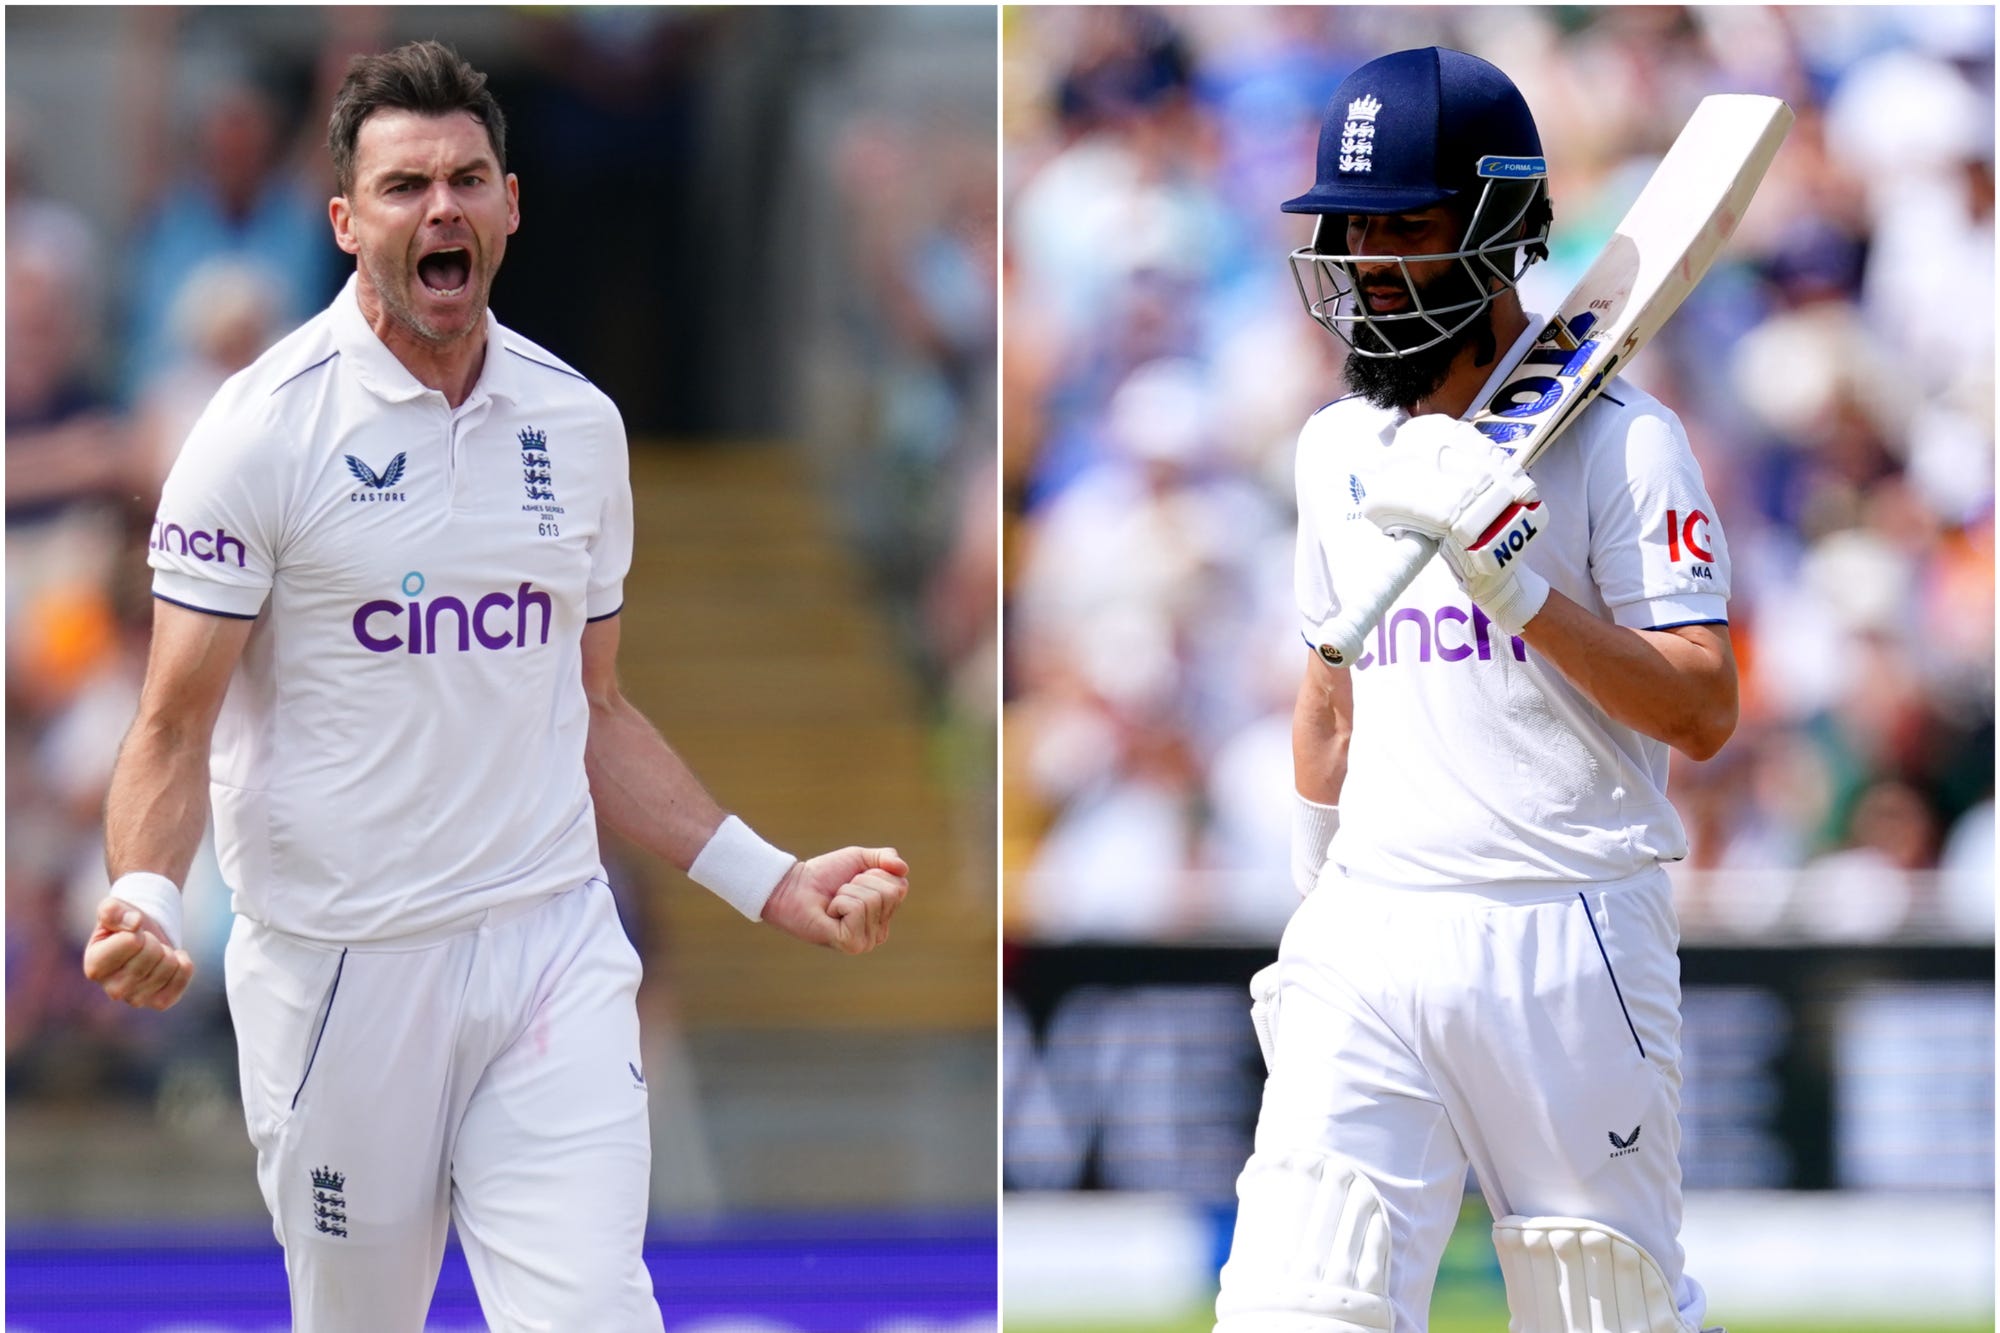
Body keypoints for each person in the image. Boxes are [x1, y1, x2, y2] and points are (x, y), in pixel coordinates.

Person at [82, 41, 909, 1332]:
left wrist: (771, 876)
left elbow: (598, 712)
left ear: (512, 205)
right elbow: (172, 720)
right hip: (342, 972)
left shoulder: (577, 427)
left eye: (468, 179)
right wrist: (143, 891)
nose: (443, 210)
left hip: (547, 947)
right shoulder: (258, 432)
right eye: (406, 187)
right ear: (346, 219)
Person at [1214, 48, 1735, 1333]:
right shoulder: (1334, 445)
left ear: (1498, 228)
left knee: (1596, 1307)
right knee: (1289, 1309)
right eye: (1350, 227)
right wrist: (1312, 891)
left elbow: (1702, 705)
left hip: (1565, 928)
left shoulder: (1623, 443)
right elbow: (1329, 691)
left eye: (1407, 225)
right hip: (1371, 927)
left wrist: (1519, 592)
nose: (1368, 260)